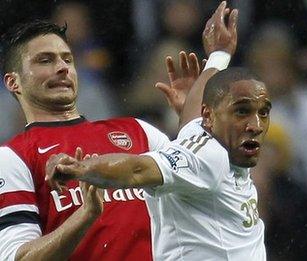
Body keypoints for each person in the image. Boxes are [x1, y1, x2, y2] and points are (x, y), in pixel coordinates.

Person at [0, 1, 237, 259]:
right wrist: (86, 216)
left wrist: (193, 117)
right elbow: (18, 257)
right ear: (14, 82)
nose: (62, 67)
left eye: (67, 59)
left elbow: (203, 172)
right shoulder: (14, 157)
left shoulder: (137, 130)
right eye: (45, 60)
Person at [46, 65, 269, 260]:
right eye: (242, 111)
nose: (256, 125)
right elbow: (137, 170)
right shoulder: (209, 158)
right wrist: (78, 168)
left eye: (264, 112)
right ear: (209, 117)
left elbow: (192, 117)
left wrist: (219, 54)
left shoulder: (210, 139)